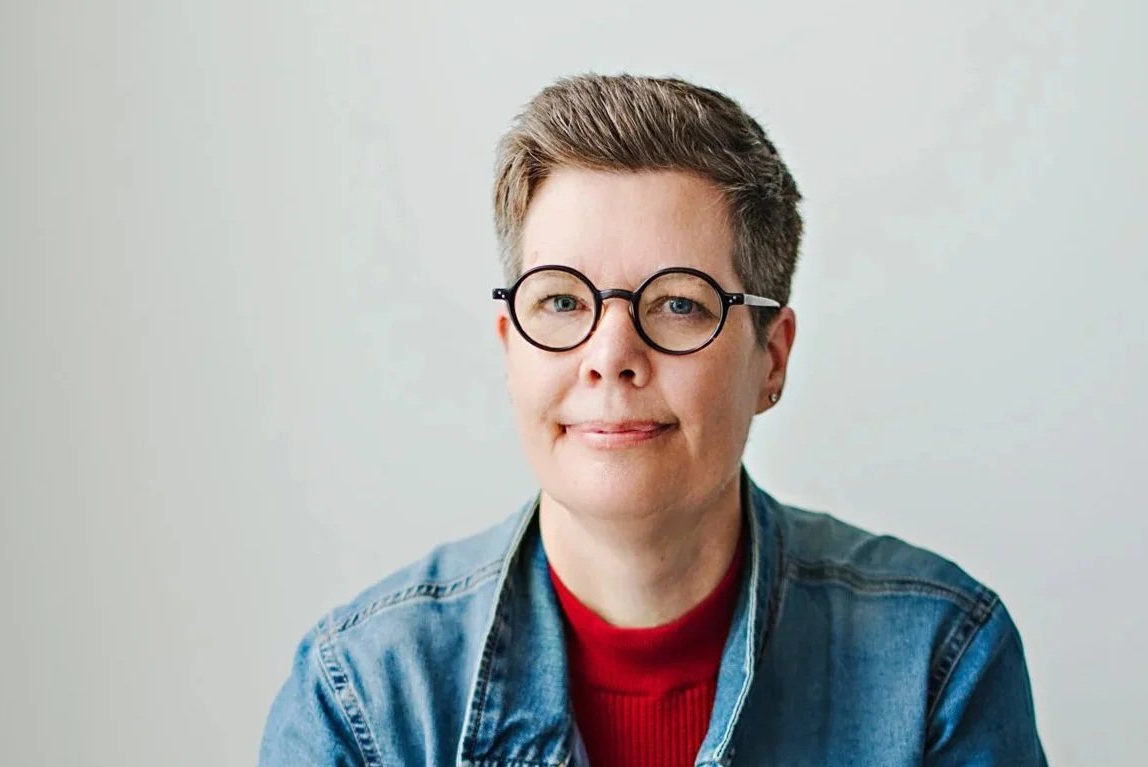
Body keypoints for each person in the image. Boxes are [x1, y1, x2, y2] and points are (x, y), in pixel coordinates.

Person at [259, 73, 1048, 766]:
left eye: (676, 303)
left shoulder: (936, 661)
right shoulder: (361, 693)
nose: (610, 355)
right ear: (511, 348)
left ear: (770, 357)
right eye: (561, 301)